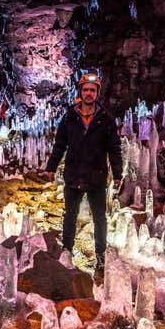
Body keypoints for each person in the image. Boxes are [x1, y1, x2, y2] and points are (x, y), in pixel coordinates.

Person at [43, 73, 123, 276]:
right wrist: (51, 168)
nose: (89, 93)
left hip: (96, 177)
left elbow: (114, 148)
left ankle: (101, 256)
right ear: (81, 92)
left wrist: (117, 173)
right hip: (74, 175)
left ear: (97, 93)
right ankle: (67, 252)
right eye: (85, 90)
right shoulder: (70, 117)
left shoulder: (106, 120)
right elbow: (60, 144)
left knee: (100, 219)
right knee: (70, 216)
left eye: (92, 90)